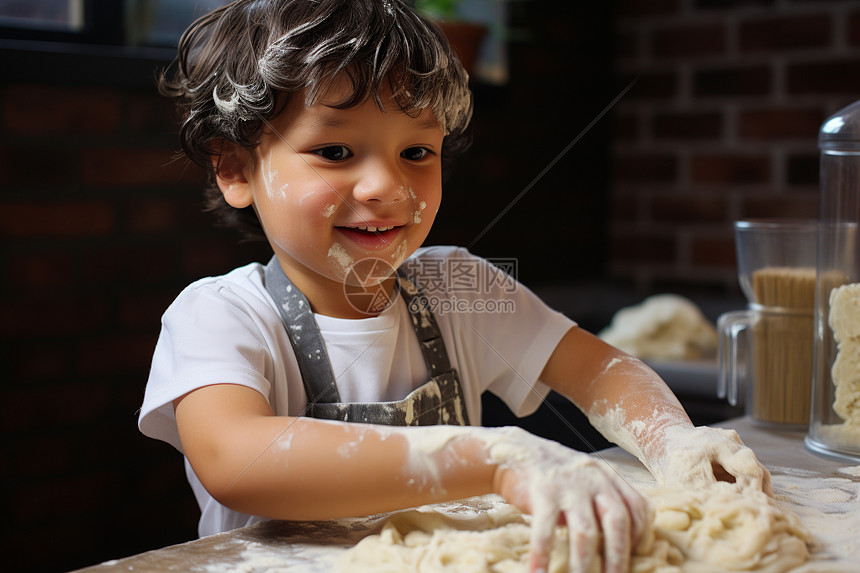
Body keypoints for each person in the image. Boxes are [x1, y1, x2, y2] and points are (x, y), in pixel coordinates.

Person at [138, 1, 771, 571]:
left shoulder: (456, 285)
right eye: (335, 152)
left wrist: (676, 442)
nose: (387, 187)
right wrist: (494, 457)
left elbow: (600, 370)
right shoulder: (221, 316)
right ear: (234, 168)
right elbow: (235, 458)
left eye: (417, 152)